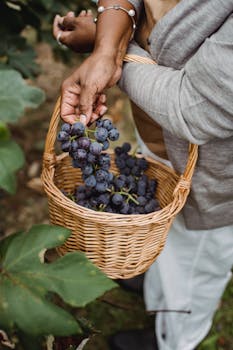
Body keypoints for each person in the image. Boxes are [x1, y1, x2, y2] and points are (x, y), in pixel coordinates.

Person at [53, 1, 233, 349]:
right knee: (160, 230)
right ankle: (155, 283)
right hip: (159, 136)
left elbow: (194, 106)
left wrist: (112, 54)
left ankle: (173, 339)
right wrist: (108, 39)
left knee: (194, 271)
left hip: (217, 179)